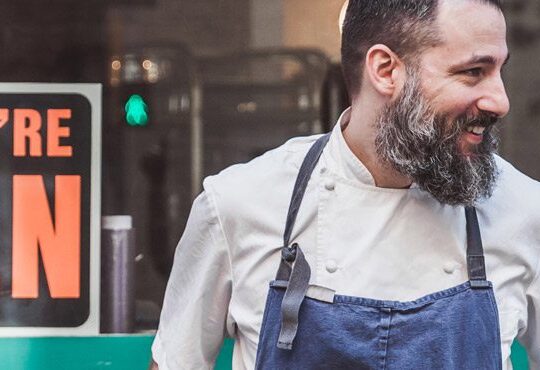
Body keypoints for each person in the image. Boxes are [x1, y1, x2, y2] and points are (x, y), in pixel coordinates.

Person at [151, 0, 540, 369]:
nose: (500, 102)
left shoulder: (523, 211)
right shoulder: (238, 204)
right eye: (473, 72)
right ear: (386, 70)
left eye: (500, 71)